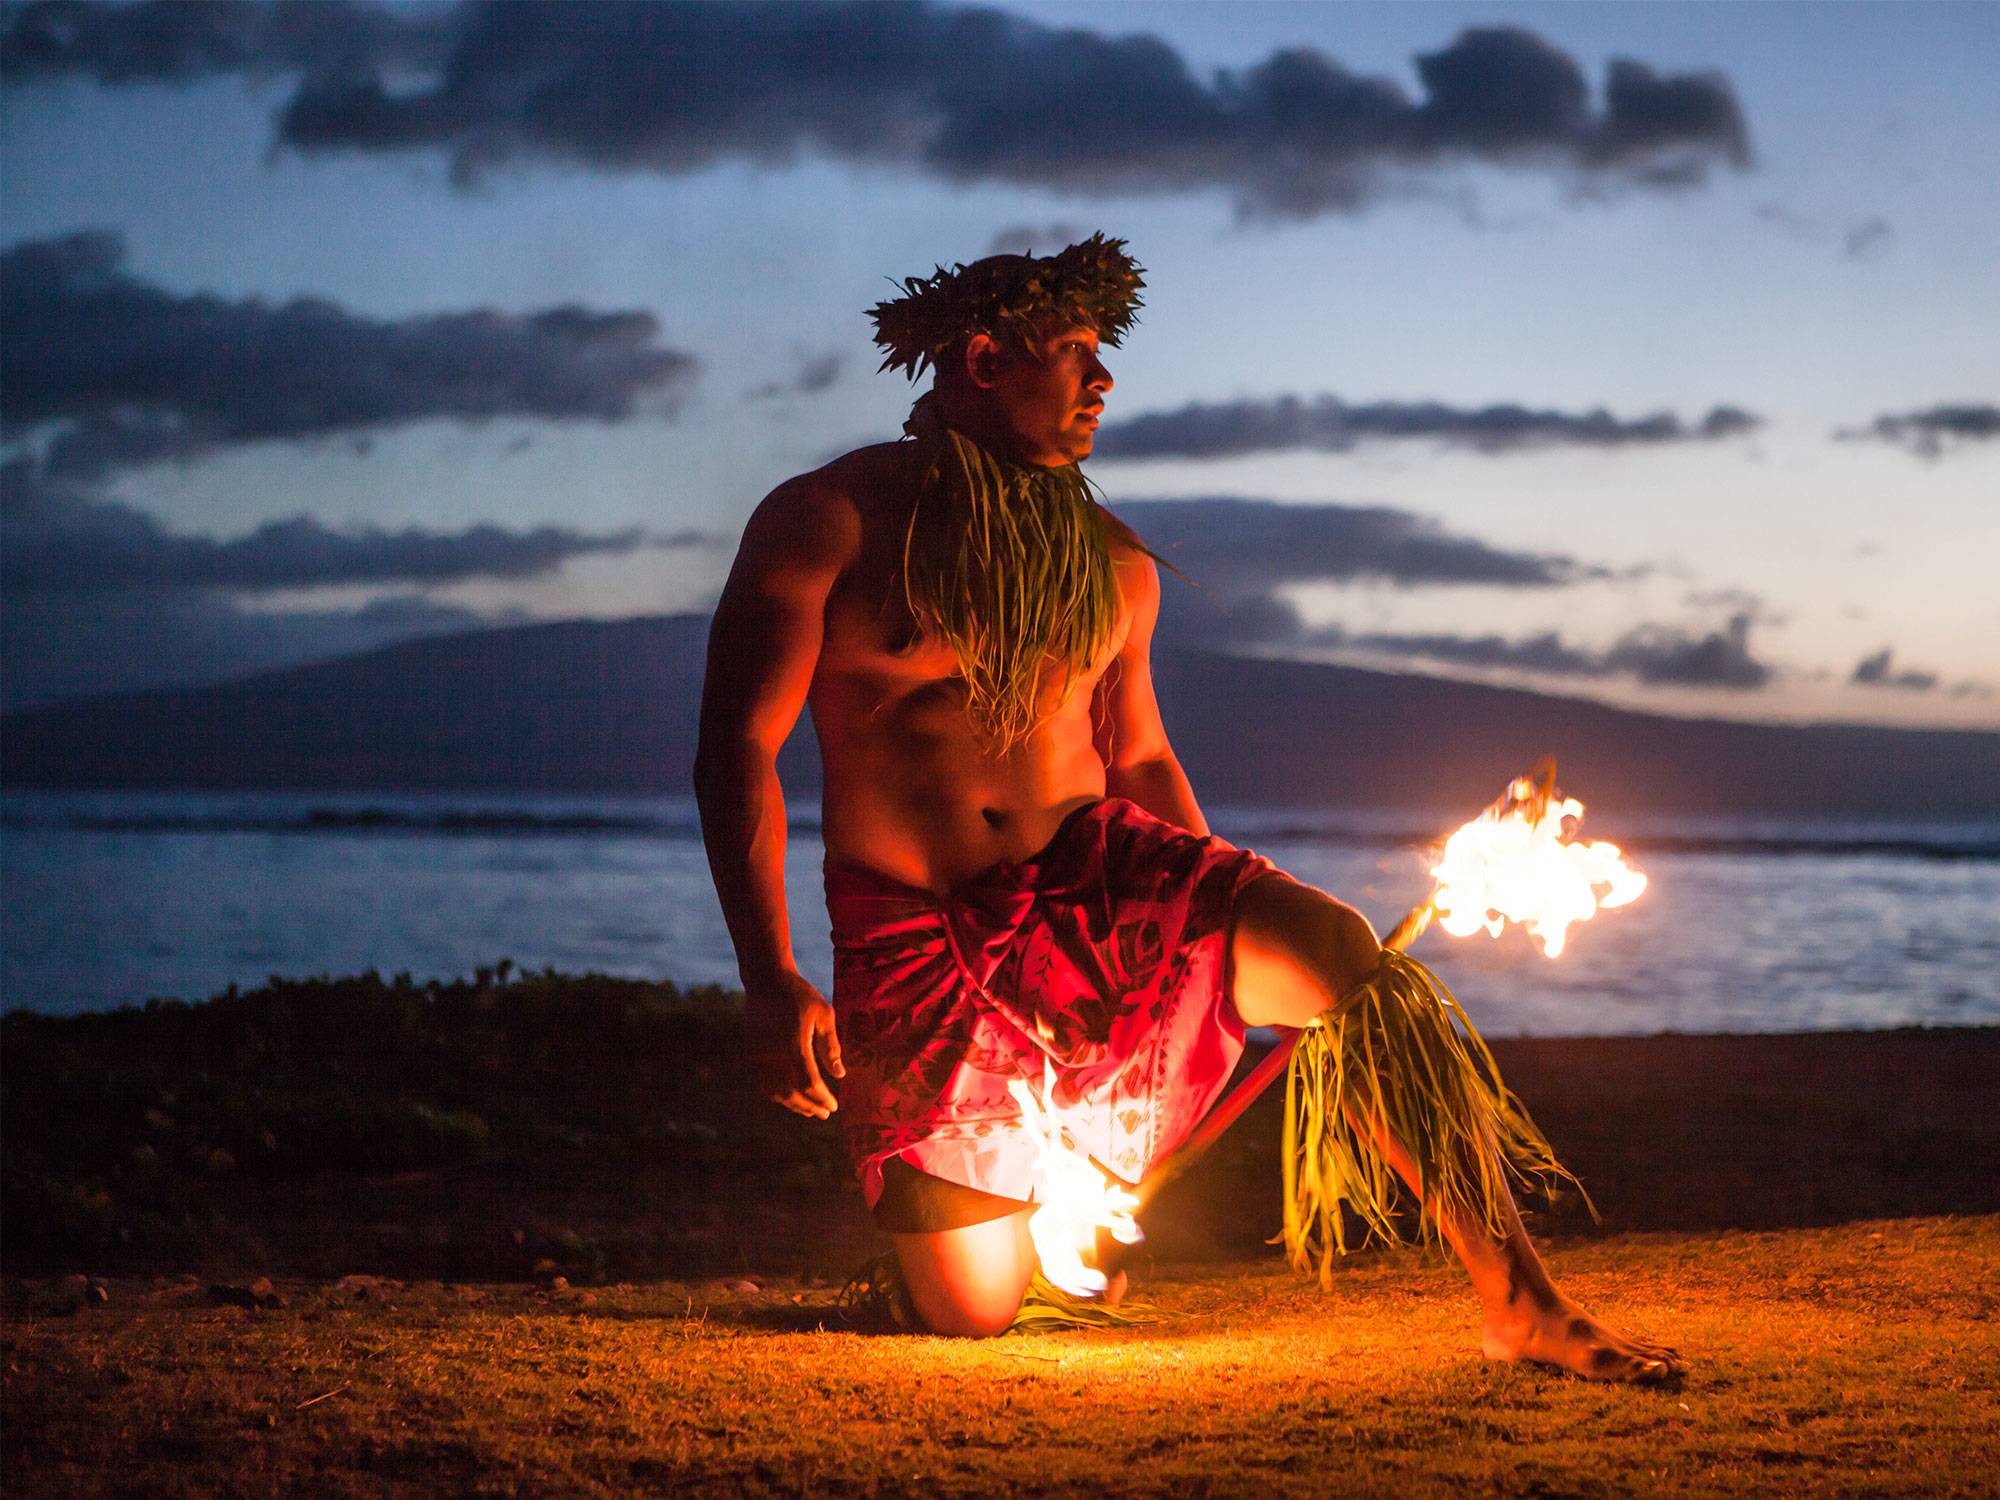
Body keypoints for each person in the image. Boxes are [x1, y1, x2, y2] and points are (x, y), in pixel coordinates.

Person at [695, 237, 1679, 1380]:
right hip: (920, 928)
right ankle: (948, 1257)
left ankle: (1521, 1300)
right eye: (1071, 354)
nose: (1101, 382)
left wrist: (1209, 937)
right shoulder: (830, 521)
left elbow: (1141, 755)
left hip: (1096, 883)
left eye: (1101, 356)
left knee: (1337, 955)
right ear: (979, 358)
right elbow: (738, 750)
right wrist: (768, 973)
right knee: (971, 1311)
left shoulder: (1111, 562)